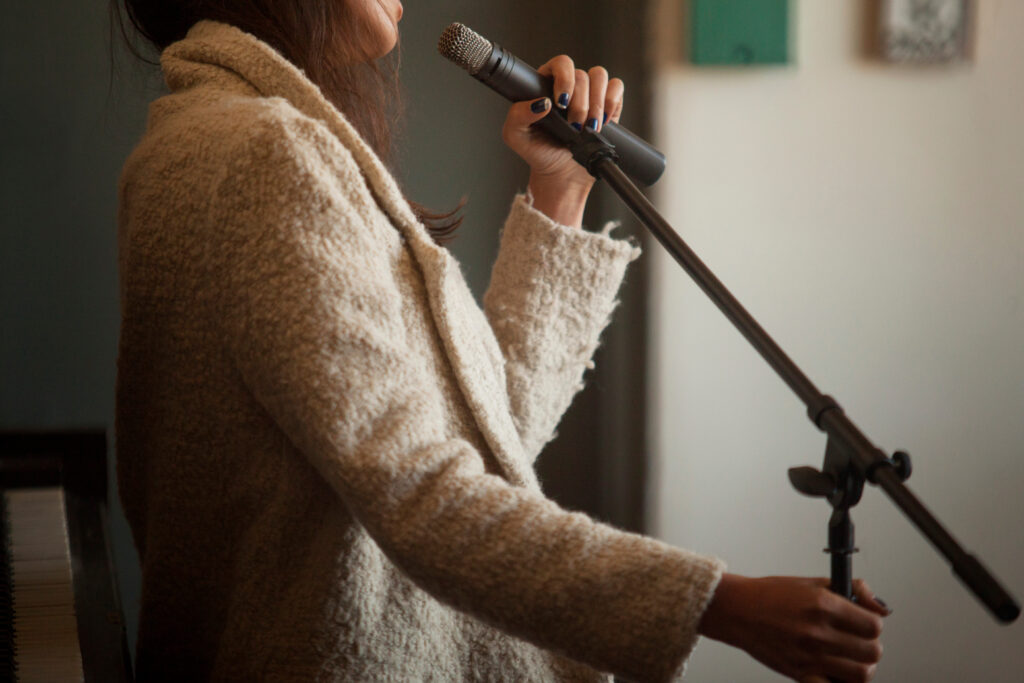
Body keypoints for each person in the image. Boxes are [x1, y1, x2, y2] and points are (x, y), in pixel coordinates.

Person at [113, 1, 888, 681]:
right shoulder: (262, 154)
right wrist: (720, 604)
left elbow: (483, 439)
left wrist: (562, 187)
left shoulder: (211, 138)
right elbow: (421, 494)